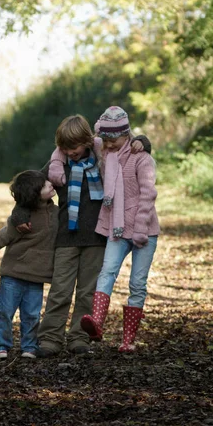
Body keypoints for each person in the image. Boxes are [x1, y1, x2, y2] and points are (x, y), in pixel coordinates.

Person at [11, 115, 151, 357]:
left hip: (97, 238)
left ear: (88, 141)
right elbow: (32, 185)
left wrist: (143, 142)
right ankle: (50, 338)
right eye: (63, 148)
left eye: (73, 147)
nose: (69, 152)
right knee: (60, 290)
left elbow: (127, 149)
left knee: (88, 291)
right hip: (66, 238)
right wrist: (20, 211)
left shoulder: (104, 157)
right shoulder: (58, 164)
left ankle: (79, 337)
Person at [80, 106, 160, 353]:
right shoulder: (104, 151)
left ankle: (128, 340)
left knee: (137, 283)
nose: (110, 145)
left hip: (144, 229)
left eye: (114, 140)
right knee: (107, 271)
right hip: (116, 227)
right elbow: (75, 141)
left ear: (127, 135)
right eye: (106, 139)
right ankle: (96, 321)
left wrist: (140, 228)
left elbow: (148, 195)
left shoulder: (141, 157)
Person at [0, 170, 58, 360]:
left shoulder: (57, 213)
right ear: (34, 194)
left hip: (37, 275)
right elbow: (1, 238)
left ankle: (29, 346)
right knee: (4, 312)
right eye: (44, 184)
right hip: (13, 273)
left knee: (32, 314)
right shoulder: (22, 220)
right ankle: (0, 346)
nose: (50, 184)